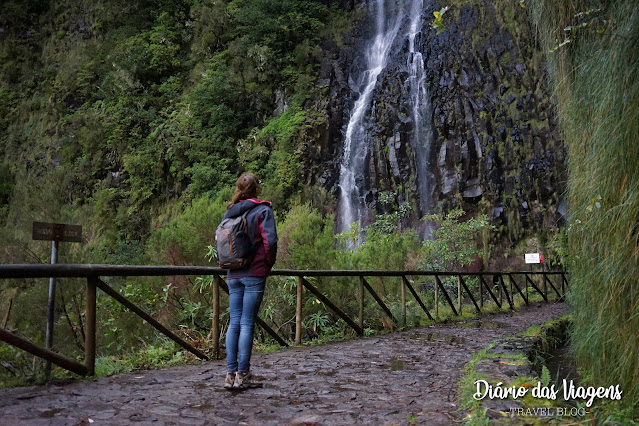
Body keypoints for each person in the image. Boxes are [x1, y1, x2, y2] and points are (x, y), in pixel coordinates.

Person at [222, 172, 277, 390]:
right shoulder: (263, 210)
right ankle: (243, 376)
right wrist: (268, 264)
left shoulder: (229, 212)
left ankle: (230, 375)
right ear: (257, 189)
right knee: (246, 323)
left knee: (234, 321)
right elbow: (269, 242)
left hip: (232, 272)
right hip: (254, 273)